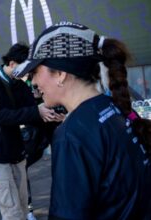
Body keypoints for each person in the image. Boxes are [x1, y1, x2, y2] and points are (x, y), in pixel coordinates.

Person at [13, 21, 151, 219]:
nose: (33, 82)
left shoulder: (71, 135)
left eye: (35, 72)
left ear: (60, 73)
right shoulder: (118, 108)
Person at [0, 43, 61, 220]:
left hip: (18, 155)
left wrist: (52, 118)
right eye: (26, 70)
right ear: (12, 64)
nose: (29, 77)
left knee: (24, 210)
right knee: (12, 214)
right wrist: (36, 111)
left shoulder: (19, 83)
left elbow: (33, 111)